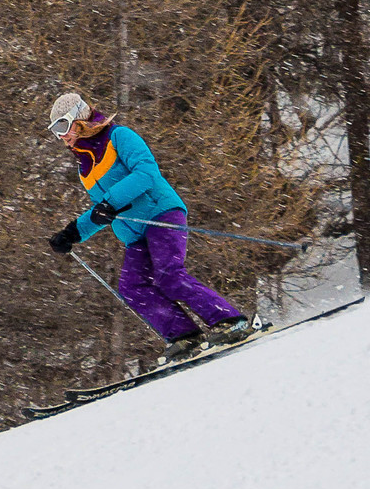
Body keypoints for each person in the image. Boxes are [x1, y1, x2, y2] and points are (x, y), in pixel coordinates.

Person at [45, 90, 250, 361]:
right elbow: (103, 210)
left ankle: (229, 320)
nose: (61, 136)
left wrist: (110, 202)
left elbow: (146, 173)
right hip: (134, 233)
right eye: (54, 131)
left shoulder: (119, 137)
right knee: (132, 287)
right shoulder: (85, 167)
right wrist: (73, 232)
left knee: (169, 275)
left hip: (161, 214)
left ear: (79, 118)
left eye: (62, 126)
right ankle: (184, 335)